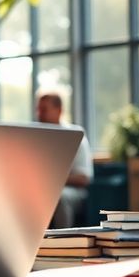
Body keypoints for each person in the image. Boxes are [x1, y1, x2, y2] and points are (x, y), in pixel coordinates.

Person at [36, 92, 92, 228]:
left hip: (71, 191)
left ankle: (63, 244)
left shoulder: (75, 136)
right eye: (38, 109)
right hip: (41, 189)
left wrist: (53, 179)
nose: (39, 114)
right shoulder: (35, 137)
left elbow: (84, 178)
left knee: (59, 198)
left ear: (59, 110)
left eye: (44, 109)